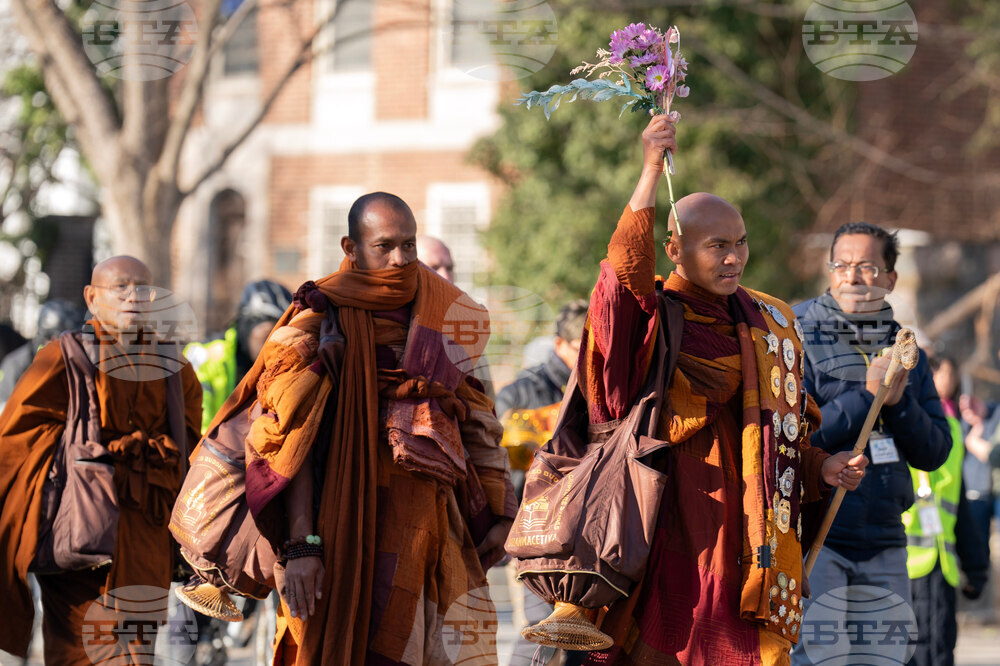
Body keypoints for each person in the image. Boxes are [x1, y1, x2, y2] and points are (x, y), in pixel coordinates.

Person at [559, 115, 868, 665]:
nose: (734, 258)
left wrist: (822, 466)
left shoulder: (770, 320)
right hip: (668, 519)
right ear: (674, 250)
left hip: (750, 532)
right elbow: (618, 288)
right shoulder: (657, 318)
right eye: (717, 245)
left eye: (741, 243)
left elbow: (788, 427)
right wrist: (651, 172)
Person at [195, 192, 515, 664]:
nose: (401, 259)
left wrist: (501, 506)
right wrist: (303, 546)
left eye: (408, 244)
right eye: (384, 246)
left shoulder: (444, 315)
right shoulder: (318, 318)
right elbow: (288, 439)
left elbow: (477, 417)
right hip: (335, 531)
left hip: (425, 529)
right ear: (351, 248)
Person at [0, 255, 203, 663]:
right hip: (82, 541)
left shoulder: (175, 370)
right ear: (92, 298)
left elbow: (193, 450)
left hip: (145, 538)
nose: (133, 297)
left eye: (143, 289)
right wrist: (89, 455)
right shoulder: (63, 358)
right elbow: (16, 443)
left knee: (134, 655)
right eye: (120, 288)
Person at [791, 223, 951, 665]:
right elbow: (791, 443)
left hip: (885, 540)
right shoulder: (795, 332)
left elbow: (936, 450)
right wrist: (866, 397)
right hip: (817, 537)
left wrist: (898, 404)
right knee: (817, 659)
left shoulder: (904, 347)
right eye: (841, 265)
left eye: (866, 266)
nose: (852, 276)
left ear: (890, 278)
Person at [496, 298, 587, 666]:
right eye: (583, 348)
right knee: (539, 633)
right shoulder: (520, 393)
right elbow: (499, 455)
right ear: (560, 345)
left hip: (587, 535)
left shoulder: (599, 391)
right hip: (534, 536)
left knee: (584, 635)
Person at [901, 356, 989, 666]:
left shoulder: (951, 429)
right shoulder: (889, 428)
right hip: (899, 568)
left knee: (939, 651)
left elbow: (960, 505)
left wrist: (976, 567)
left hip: (942, 566)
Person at [184, 279, 292, 431]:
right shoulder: (205, 356)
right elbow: (194, 427)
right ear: (248, 326)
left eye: (280, 335)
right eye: (267, 333)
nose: (272, 343)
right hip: (208, 450)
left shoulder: (282, 365)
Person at [0, 299, 85, 412]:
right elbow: (7, 413)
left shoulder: (72, 363)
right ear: (52, 338)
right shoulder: (17, 365)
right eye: (69, 340)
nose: (75, 347)